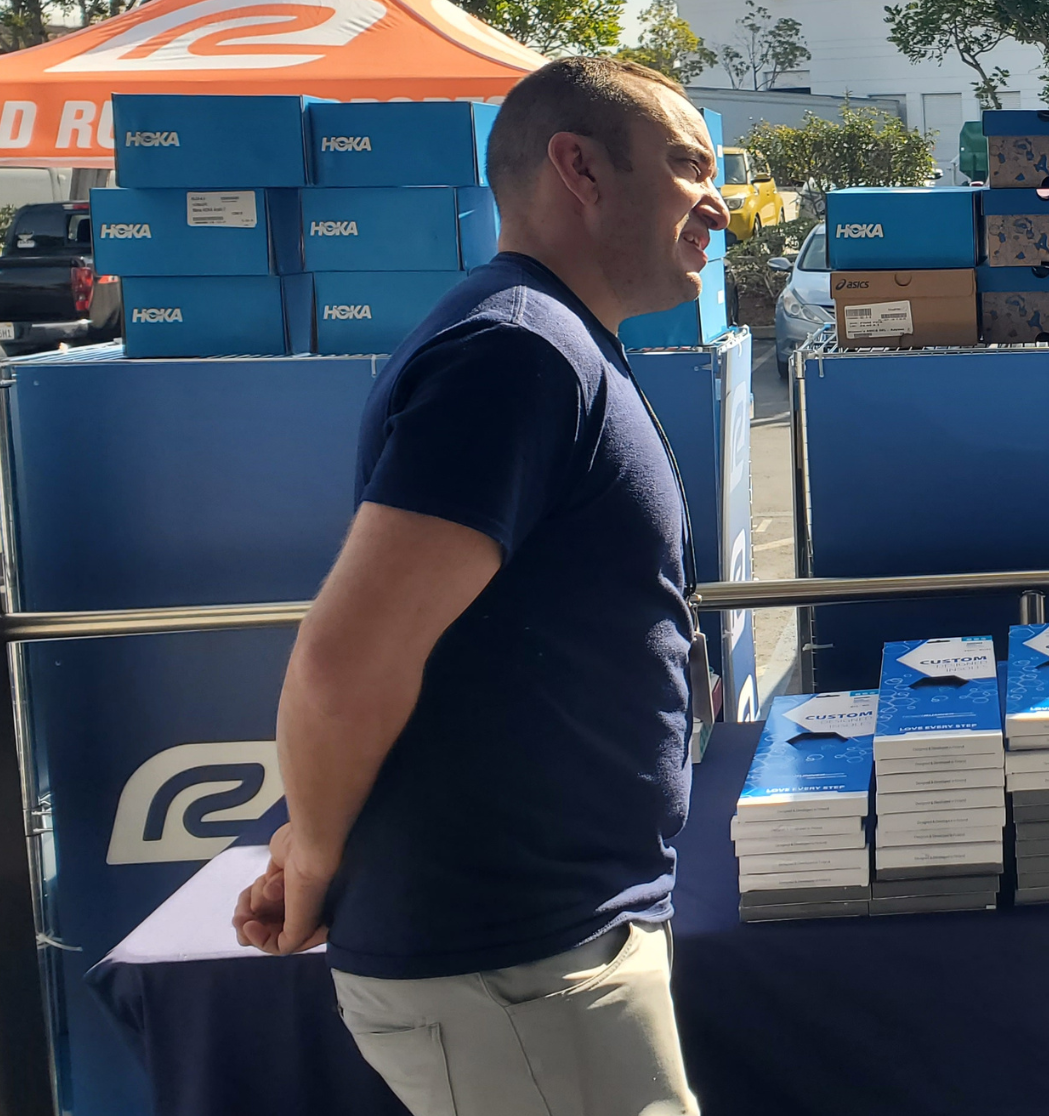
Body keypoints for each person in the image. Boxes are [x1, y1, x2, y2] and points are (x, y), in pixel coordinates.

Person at [231, 57, 729, 1116]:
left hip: (546, 951)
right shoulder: (517, 354)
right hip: (516, 965)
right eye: (690, 166)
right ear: (580, 170)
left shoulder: (557, 342)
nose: (718, 203)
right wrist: (315, 859)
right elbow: (348, 660)